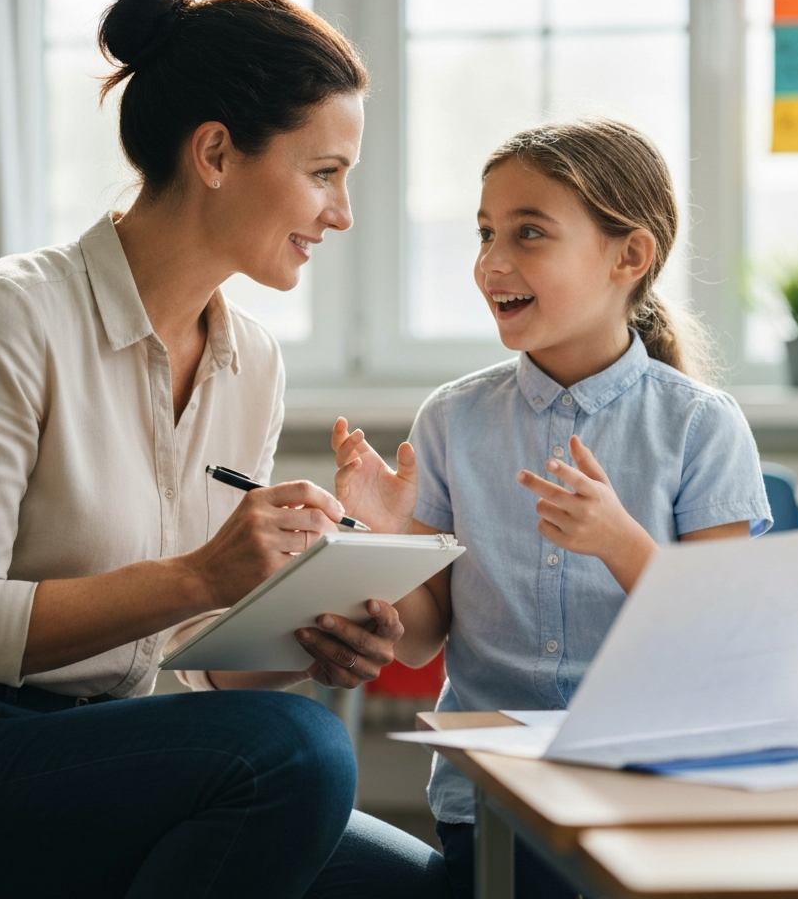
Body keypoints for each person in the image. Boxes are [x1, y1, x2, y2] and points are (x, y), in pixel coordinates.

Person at [0, 0, 450, 899]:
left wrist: (306, 634)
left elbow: (198, 655)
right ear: (216, 153)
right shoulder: (11, 317)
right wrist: (204, 573)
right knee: (301, 756)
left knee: (422, 887)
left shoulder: (253, 363)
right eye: (323, 174)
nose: (342, 213)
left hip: (96, 754)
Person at [328, 119, 773, 899]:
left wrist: (620, 542)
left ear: (628, 256)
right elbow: (420, 640)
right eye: (485, 232)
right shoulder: (451, 421)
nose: (492, 262)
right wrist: (385, 537)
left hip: (650, 792)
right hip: (490, 801)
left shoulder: (699, 424)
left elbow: (721, 647)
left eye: (529, 233)